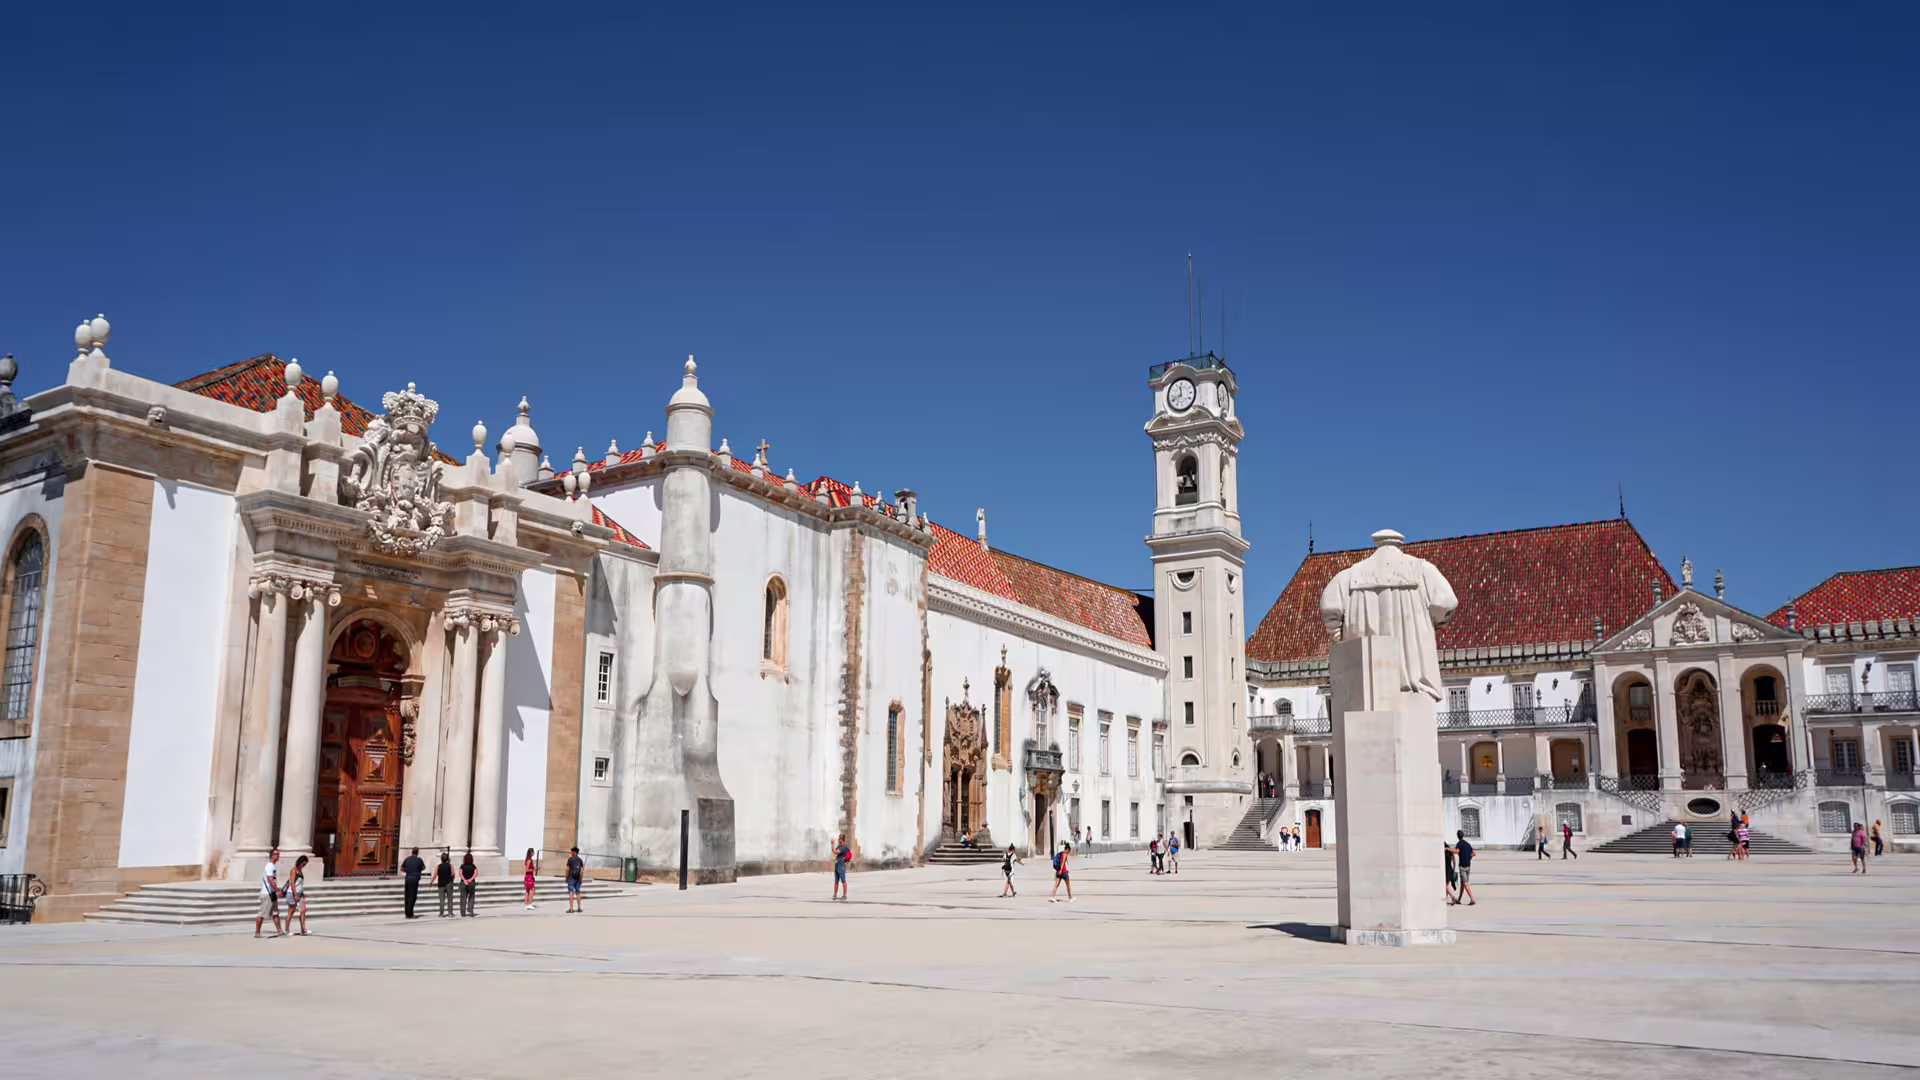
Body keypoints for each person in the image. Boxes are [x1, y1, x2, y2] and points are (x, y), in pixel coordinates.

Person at [255, 848, 283, 938]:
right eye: (276, 854)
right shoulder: (270, 866)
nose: (278, 856)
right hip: (267, 893)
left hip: (272, 893)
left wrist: (275, 891)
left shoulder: (273, 866)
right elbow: (270, 880)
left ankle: (280, 931)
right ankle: (257, 932)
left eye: (278, 854)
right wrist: (278, 890)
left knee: (275, 912)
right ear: (272, 856)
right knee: (262, 913)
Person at [1448, 830, 1476, 905]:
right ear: (1463, 835)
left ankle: (1472, 899)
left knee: (1465, 884)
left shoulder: (1459, 844)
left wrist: (1448, 849)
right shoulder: (1467, 844)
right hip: (1468, 866)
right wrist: (1468, 857)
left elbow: (1457, 851)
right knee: (1463, 883)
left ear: (1457, 836)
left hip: (1462, 867)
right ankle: (1459, 899)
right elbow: (1473, 853)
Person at [285, 854, 310, 935]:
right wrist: (295, 894)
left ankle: (303, 929)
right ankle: (287, 929)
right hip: (292, 893)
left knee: (303, 911)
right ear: (300, 862)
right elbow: (292, 883)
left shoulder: (300, 870)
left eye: (305, 864)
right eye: (303, 864)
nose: (304, 866)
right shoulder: (294, 870)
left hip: (300, 893)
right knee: (291, 912)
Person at [400, 847, 426, 919]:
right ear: (417, 852)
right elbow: (423, 868)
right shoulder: (419, 860)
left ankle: (407, 913)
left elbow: (402, 869)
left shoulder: (407, 859)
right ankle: (410, 914)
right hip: (415, 879)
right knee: (412, 897)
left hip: (408, 879)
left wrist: (408, 871)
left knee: (407, 896)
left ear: (412, 852)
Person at [831, 833, 851, 900]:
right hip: (837, 866)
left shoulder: (843, 848)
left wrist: (832, 844)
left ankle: (844, 895)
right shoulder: (839, 846)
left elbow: (835, 851)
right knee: (836, 881)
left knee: (843, 881)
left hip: (841, 867)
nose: (839, 841)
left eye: (840, 840)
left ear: (843, 840)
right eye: (839, 839)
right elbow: (834, 851)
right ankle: (835, 895)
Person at [435, 851, 456, 917]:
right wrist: (452, 879)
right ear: (447, 859)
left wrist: (431, 882)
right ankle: (450, 913)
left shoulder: (438, 866)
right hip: (449, 883)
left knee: (441, 899)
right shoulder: (450, 866)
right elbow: (453, 874)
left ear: (441, 859)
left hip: (441, 883)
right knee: (449, 899)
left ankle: (441, 913)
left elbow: (435, 874)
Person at [566, 845, 586, 913]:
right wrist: (581, 879)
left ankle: (571, 909)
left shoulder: (570, 859)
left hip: (571, 878)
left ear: (574, 852)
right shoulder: (580, 860)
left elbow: (567, 870)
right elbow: (582, 871)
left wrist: (566, 878)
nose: (571, 852)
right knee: (578, 893)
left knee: (571, 893)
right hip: (578, 879)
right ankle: (579, 908)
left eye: (571, 851)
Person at [459, 851, 478, 917]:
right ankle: (470, 909)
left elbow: (460, 874)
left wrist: (465, 880)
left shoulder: (462, 866)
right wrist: (470, 879)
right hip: (471, 883)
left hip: (463, 883)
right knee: (471, 896)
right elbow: (476, 874)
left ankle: (463, 912)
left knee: (463, 897)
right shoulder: (473, 866)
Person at [1443, 840, 1457, 905]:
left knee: (1446, 885)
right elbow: (1454, 860)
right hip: (1450, 868)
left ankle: (1453, 897)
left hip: (1446, 869)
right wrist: (1454, 869)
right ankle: (1444, 899)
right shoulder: (1449, 850)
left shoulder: (1443, 851)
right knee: (1448, 884)